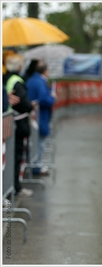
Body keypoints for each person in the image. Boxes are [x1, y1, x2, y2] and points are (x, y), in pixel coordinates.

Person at [3, 53, 34, 197]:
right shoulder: (16, 81)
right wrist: (30, 105)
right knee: (15, 157)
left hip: (10, 123)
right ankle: (15, 187)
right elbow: (25, 104)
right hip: (16, 125)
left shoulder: (6, 78)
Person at [25, 60, 56, 176]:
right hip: (40, 117)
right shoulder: (40, 82)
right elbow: (44, 99)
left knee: (34, 142)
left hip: (33, 117)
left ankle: (34, 164)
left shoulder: (31, 80)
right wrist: (52, 98)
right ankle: (36, 166)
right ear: (45, 71)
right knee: (39, 143)